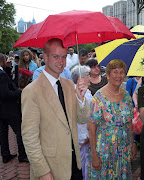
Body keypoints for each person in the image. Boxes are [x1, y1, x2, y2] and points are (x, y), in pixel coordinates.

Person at [21, 38, 90, 180]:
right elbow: (29, 137)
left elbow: (82, 119)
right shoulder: (32, 91)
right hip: (51, 166)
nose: (61, 61)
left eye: (64, 57)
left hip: (74, 162)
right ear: (45, 57)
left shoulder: (69, 84)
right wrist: (43, 171)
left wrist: (81, 99)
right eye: (56, 56)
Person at [87, 59, 136, 179]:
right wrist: (94, 154)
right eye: (115, 72)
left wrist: (133, 143)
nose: (118, 76)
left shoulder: (126, 96)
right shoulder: (98, 98)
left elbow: (129, 123)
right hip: (104, 150)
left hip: (123, 149)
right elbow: (91, 128)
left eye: (121, 72)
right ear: (108, 75)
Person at [0, 53, 28, 163]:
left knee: (2, 133)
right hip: (8, 109)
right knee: (19, 131)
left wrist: (8, 68)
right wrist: (18, 92)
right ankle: (22, 155)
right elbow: (5, 93)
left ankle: (5, 155)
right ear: (2, 60)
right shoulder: (1, 74)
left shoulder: (2, 73)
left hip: (1, 109)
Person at [71, 65, 92, 180]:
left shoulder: (87, 91)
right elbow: (81, 118)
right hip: (82, 135)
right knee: (84, 163)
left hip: (87, 134)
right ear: (80, 79)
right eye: (87, 76)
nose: (90, 78)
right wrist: (86, 136)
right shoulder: (76, 93)